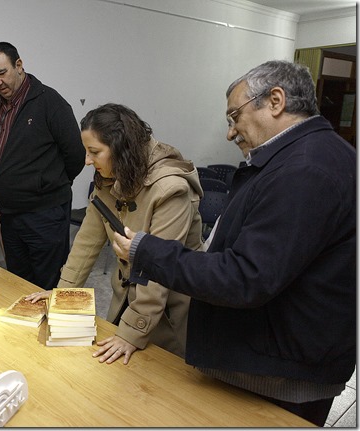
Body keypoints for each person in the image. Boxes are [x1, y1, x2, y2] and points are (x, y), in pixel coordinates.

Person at [111, 60, 356, 426]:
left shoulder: (305, 170)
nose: (230, 133)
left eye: (234, 117)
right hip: (279, 356)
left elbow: (245, 277)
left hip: (279, 373)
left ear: (275, 101)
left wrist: (146, 250)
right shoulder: (304, 157)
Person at [27, 103, 203, 364]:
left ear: (121, 148)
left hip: (170, 314)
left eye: (94, 152)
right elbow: (86, 242)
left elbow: (159, 272)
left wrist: (132, 332)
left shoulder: (170, 189)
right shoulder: (111, 177)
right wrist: (62, 293)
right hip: (128, 303)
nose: (87, 161)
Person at [0, 42, 85, 290]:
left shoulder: (50, 102)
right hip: (10, 215)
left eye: (2, 73)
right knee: (18, 284)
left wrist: (47, 184)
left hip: (44, 215)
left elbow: (76, 155)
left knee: (48, 286)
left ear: (19, 65)